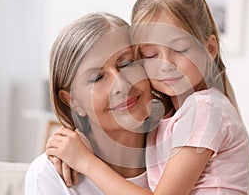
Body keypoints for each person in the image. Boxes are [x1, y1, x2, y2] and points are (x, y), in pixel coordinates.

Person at [46, 0, 249, 194]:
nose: (166, 65)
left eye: (180, 49)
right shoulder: (166, 118)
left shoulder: (204, 111)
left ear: (210, 49)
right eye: (151, 55)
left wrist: (85, 162)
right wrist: (72, 141)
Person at [24, 12, 158, 194]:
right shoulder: (50, 176)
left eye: (126, 64)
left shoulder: (185, 148)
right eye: (97, 78)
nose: (121, 85)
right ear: (72, 102)